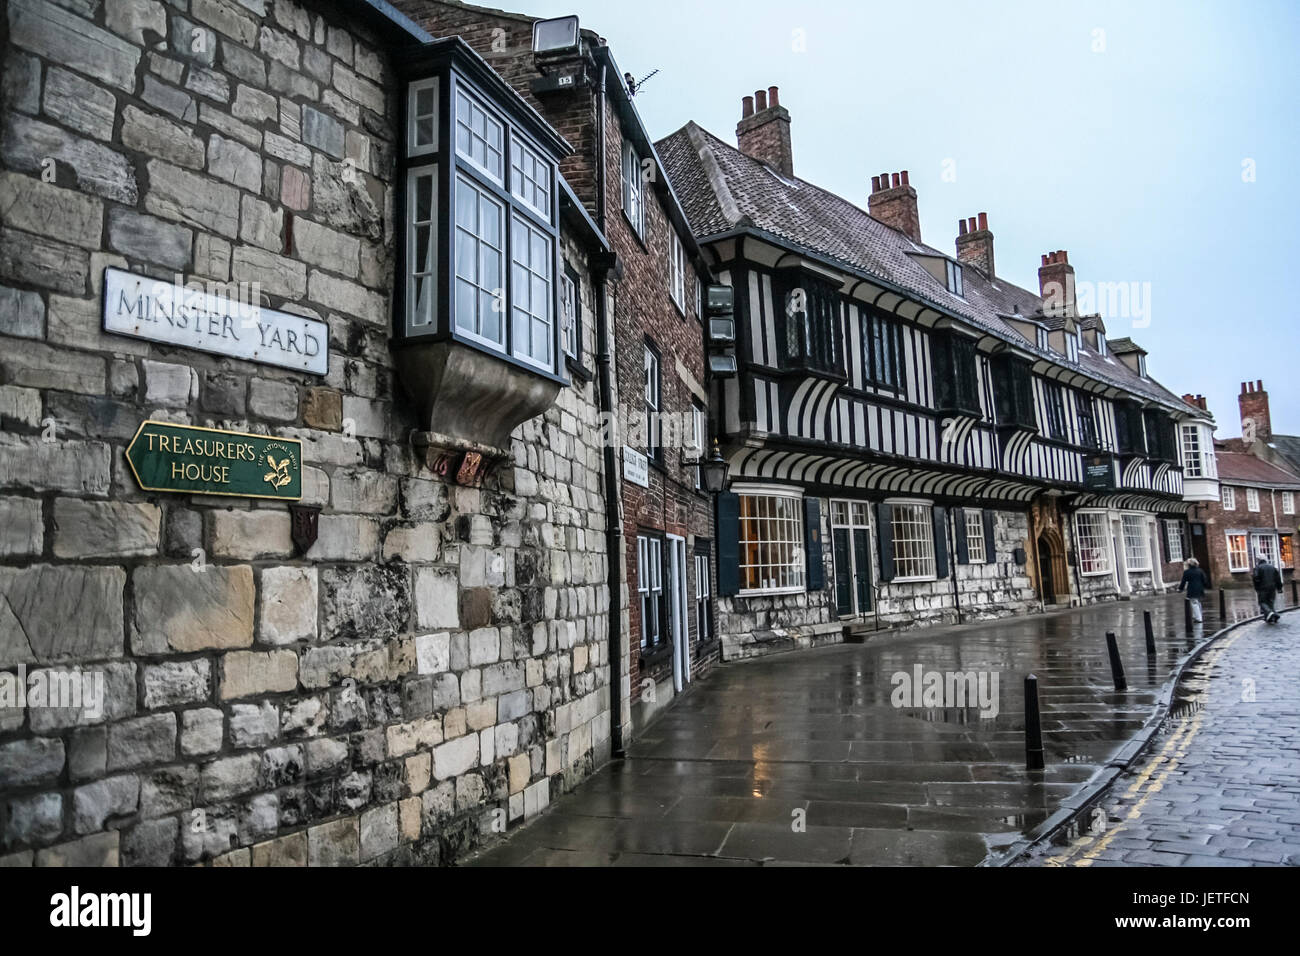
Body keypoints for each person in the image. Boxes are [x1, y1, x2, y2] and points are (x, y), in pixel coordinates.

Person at [1252, 554, 1283, 624]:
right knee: (1270, 602)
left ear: (1259, 560)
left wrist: (1257, 588)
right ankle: (1271, 617)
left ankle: (1270, 613)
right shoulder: (1272, 567)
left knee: (1262, 602)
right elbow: (1278, 578)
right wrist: (1279, 588)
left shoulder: (1258, 568)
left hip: (1262, 588)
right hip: (1272, 588)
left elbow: (1256, 578)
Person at [1178, 557, 1209, 623]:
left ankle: (1198, 618)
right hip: (1200, 588)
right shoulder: (1200, 570)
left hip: (1192, 589)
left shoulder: (1187, 572)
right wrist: (1205, 586)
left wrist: (1180, 589)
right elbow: (1205, 580)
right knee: (1198, 603)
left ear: (1189, 564)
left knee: (1194, 603)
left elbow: (1183, 582)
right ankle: (1196, 616)